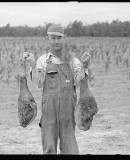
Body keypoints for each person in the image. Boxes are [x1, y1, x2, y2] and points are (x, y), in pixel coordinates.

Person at [22, 24, 90, 154]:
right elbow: (39, 82)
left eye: (59, 38)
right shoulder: (42, 60)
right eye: (53, 38)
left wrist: (85, 67)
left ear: (64, 38)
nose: (56, 41)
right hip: (49, 110)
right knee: (49, 147)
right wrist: (32, 64)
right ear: (48, 39)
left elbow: (78, 82)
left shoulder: (73, 61)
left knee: (69, 147)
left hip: (68, 110)